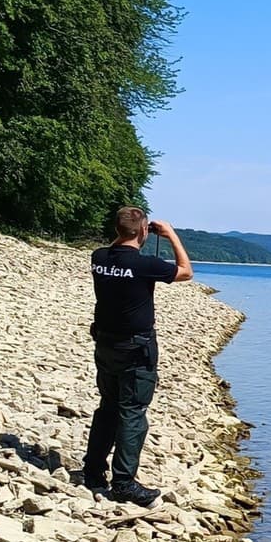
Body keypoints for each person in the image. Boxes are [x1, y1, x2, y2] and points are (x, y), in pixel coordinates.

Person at [82, 206, 193, 506]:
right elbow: (186, 271)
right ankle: (123, 483)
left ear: (117, 230)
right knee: (132, 412)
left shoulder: (99, 258)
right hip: (135, 349)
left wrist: (129, 233)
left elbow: (118, 247)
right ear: (144, 231)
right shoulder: (145, 265)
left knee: (108, 406)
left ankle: (92, 471)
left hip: (105, 344)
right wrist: (170, 234)